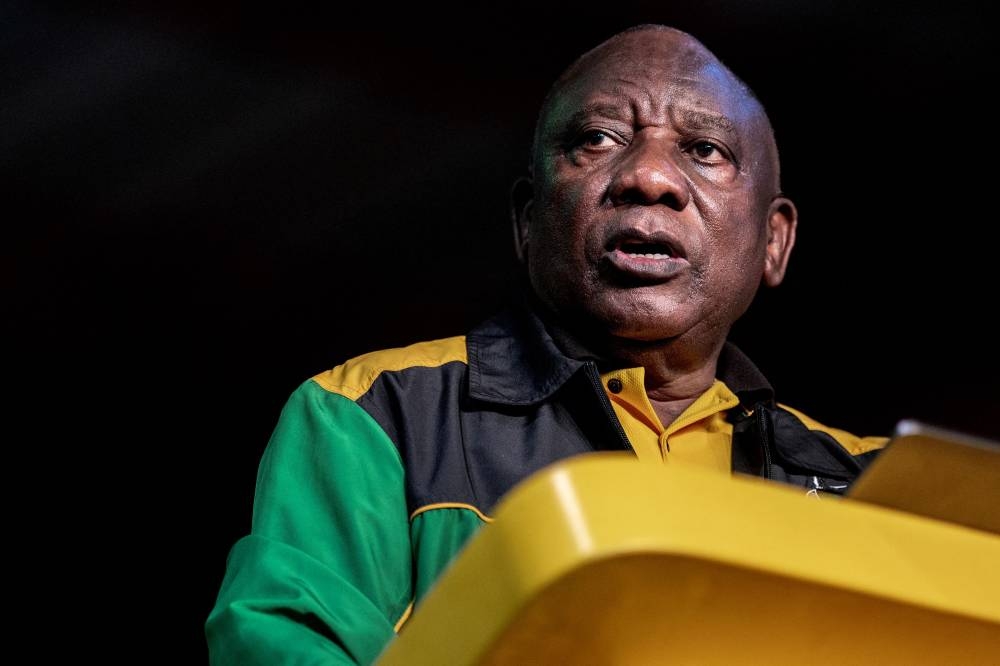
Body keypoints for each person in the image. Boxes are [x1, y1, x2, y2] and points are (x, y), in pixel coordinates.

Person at [205, 23, 888, 665]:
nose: (647, 177)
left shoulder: (870, 484)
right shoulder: (378, 414)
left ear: (774, 241)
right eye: (596, 139)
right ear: (530, 222)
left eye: (705, 150)